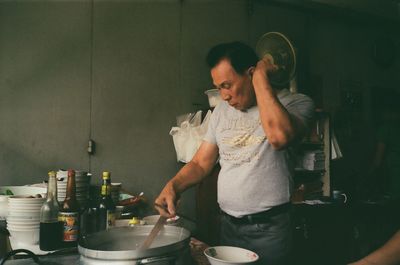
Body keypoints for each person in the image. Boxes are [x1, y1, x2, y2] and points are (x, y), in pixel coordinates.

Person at [155, 41, 314, 265]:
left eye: (228, 85)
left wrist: (261, 78)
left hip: (270, 231)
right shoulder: (221, 111)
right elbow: (201, 163)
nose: (224, 95)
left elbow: (279, 137)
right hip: (229, 227)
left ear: (251, 74)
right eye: (218, 87)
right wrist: (173, 186)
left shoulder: (296, 103)